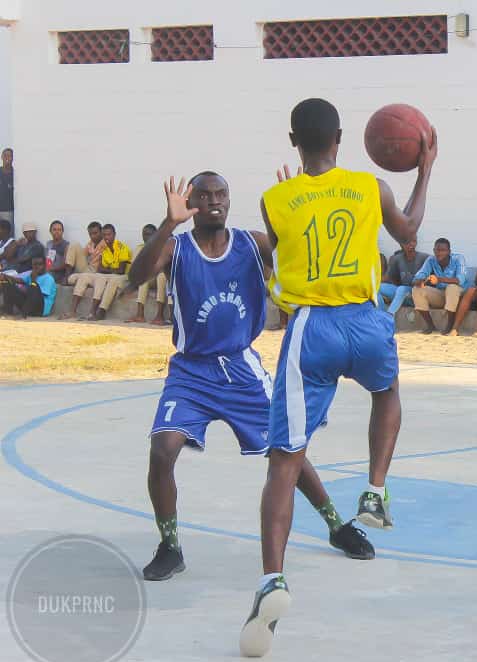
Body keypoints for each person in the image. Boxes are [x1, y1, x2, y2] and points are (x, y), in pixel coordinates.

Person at [240, 98, 436, 658]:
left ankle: (272, 579)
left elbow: (281, 249)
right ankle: (375, 488)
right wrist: (424, 170)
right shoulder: (372, 187)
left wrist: (297, 200)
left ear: (292, 140)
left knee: (285, 459)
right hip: (367, 319)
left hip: (312, 329)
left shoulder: (275, 199)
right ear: (342, 138)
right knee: (386, 392)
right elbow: (409, 231)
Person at [130, 173, 373, 584]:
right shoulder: (177, 247)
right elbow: (136, 276)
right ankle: (170, 546)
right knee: (162, 450)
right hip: (191, 371)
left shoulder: (252, 243)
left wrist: (299, 204)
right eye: (204, 195)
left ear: (229, 200)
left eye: (221, 194)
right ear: (191, 202)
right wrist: (169, 222)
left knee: (287, 450)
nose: (214, 201)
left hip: (242, 366)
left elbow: (302, 258)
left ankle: (336, 525)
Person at [410, 237, 467, 334]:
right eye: (437, 250)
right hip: (441, 295)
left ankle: (450, 325)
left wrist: (439, 279)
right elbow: (416, 279)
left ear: (449, 251)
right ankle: (430, 326)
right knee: (417, 289)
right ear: (433, 250)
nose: (439, 253)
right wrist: (422, 281)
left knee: (452, 287)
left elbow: (460, 280)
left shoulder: (458, 258)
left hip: (458, 296)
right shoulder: (431, 260)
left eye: (443, 250)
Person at [78, 224, 132, 321]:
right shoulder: (104, 249)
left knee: (113, 279)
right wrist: (111, 270)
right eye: (104, 235)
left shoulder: (122, 247)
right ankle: (92, 311)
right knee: (100, 276)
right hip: (110, 275)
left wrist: (108, 269)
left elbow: (121, 271)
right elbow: (100, 269)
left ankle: (102, 310)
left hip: (124, 277)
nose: (106, 237)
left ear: (114, 235)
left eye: (109, 234)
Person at [127, 223, 170, 325]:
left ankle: (160, 315)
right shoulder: (139, 248)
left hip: (160, 277)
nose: (146, 237)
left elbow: (164, 267)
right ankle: (140, 315)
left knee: (161, 276)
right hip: (149, 277)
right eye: (144, 234)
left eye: (149, 234)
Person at [61, 222, 105, 319]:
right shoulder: (91, 243)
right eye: (90, 234)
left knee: (78, 278)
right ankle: (67, 275)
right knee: (74, 245)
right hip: (88, 268)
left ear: (101, 232)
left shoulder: (105, 243)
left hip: (97, 272)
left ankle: (72, 311)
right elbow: (83, 255)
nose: (93, 236)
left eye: (95, 233)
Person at [379, 238, 428, 316]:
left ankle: (389, 315)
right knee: (378, 287)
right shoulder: (397, 259)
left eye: (412, 242)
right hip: (400, 294)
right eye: (405, 243)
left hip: (415, 295)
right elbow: (387, 278)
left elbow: (432, 278)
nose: (409, 245)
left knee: (402, 289)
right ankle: (381, 314)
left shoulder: (424, 258)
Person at [45, 220, 76, 285]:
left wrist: (52, 269)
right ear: (50, 231)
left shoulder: (67, 245)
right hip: (49, 271)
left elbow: (67, 264)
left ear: (62, 231)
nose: (57, 232)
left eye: (59, 230)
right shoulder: (49, 244)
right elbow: (48, 261)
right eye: (54, 229)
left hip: (59, 274)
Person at [0, 148, 13, 225]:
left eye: (9, 156)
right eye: (5, 155)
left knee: (7, 230)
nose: (7, 158)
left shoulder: (15, 173)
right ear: (1, 157)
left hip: (8, 210)